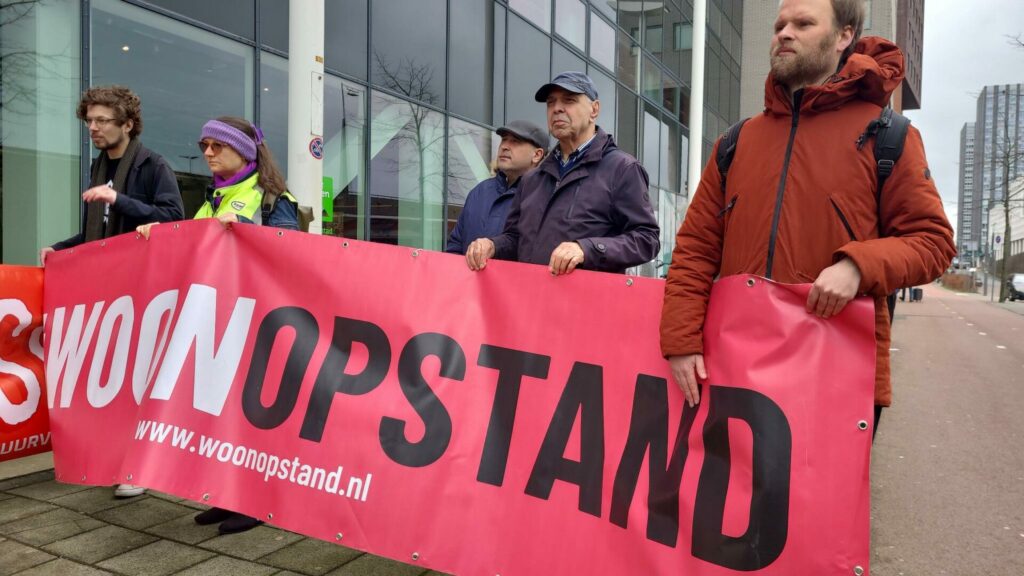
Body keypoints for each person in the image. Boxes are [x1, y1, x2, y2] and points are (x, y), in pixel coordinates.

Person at [659, 0, 955, 429]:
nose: (784, 33)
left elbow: (934, 243)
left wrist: (858, 266)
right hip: (736, 366)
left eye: (803, 23)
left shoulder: (889, 135)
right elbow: (695, 250)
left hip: (835, 374)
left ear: (843, 36)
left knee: (821, 479)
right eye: (780, 24)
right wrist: (682, 340)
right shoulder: (736, 142)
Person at [138, 116, 298, 534]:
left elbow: (292, 255)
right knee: (220, 413)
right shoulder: (214, 197)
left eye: (216, 146)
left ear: (243, 151)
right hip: (219, 320)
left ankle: (257, 500)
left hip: (256, 322)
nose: (207, 153)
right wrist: (162, 234)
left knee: (250, 417)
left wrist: (248, 232)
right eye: (203, 146)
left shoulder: (272, 198)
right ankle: (226, 494)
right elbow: (193, 247)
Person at [40, 85, 184, 499]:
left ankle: (140, 467)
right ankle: (113, 459)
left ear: (128, 124)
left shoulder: (153, 165)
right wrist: (61, 248)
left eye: (103, 120)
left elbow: (173, 218)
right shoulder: (98, 167)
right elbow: (97, 230)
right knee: (111, 379)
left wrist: (118, 198)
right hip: (105, 288)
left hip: (143, 289)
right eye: (89, 120)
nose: (93, 128)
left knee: (139, 379)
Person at [465, 72, 659, 275]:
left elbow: (647, 239)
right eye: (551, 102)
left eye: (569, 100)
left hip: (588, 295)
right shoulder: (532, 179)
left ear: (594, 110)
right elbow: (516, 239)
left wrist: (586, 249)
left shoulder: (622, 169)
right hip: (530, 293)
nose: (557, 108)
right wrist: (493, 245)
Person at [445, 120, 548, 255]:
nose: (504, 146)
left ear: (537, 155)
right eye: (504, 140)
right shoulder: (479, 191)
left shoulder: (547, 196)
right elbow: (455, 245)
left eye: (515, 141)